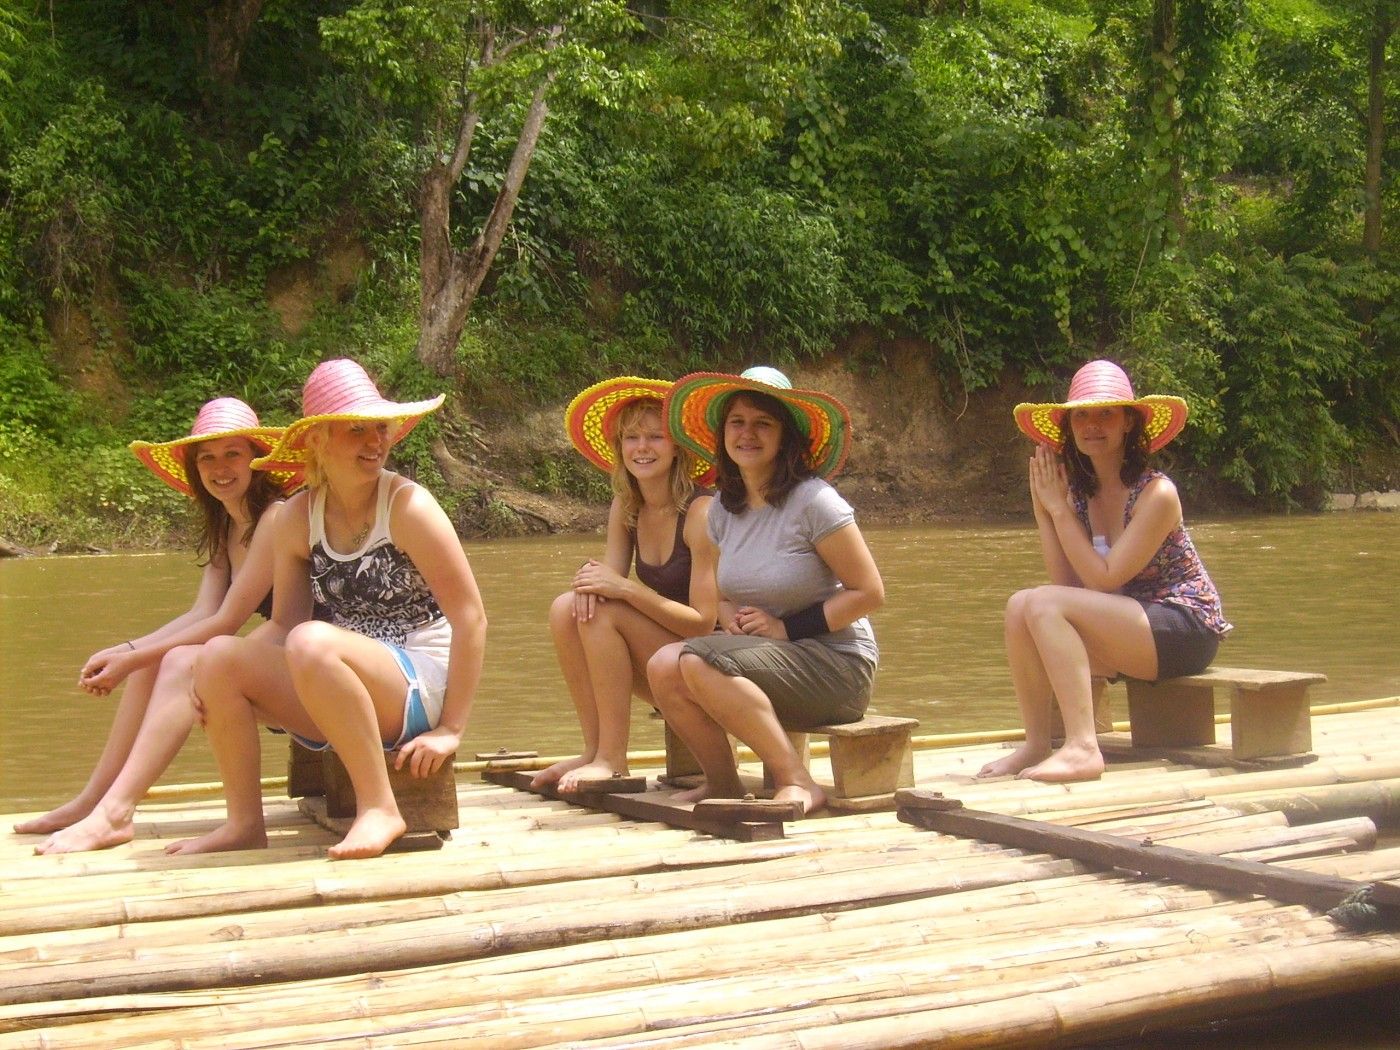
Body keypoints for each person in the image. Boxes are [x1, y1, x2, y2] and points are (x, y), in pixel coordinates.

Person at [170, 358, 487, 860]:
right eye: (356, 429)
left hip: (415, 681)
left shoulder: (408, 506)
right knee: (216, 656)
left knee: (312, 641)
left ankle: (380, 807)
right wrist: (213, 673)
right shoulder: (297, 516)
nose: (374, 442)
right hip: (334, 679)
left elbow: (470, 617)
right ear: (317, 441)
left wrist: (452, 728)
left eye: (379, 429)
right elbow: (282, 625)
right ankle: (244, 823)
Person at [17, 398, 301, 853]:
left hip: (306, 676)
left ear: (256, 460)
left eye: (232, 454)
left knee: (180, 660)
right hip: (270, 664)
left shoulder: (275, 517)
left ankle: (116, 812)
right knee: (159, 661)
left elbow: (227, 621)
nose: (219, 467)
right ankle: (95, 802)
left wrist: (131, 659)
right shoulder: (226, 525)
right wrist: (129, 651)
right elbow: (201, 614)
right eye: (206, 458)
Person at [978, 359, 1232, 783]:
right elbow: (1067, 587)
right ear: (1069, 426)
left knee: (1040, 602)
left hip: (1182, 626)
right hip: (1127, 621)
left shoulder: (1157, 493)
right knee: (1020, 605)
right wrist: (1046, 511)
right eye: (1082, 415)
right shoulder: (1078, 495)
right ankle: (1037, 744)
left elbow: (1104, 579)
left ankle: (1082, 748)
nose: (1092, 425)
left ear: (1129, 423)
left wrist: (1058, 509)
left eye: (1106, 413)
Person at [647, 366, 884, 816]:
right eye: (737, 422)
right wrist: (734, 614)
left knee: (697, 661)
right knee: (663, 664)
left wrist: (784, 628)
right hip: (768, 657)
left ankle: (797, 780)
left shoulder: (814, 501)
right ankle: (722, 782)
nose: (747, 434)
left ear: (785, 437)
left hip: (836, 666)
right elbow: (721, 591)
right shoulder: (722, 508)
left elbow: (869, 592)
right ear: (723, 435)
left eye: (763, 423)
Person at [531, 378, 718, 793]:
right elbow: (607, 579)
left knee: (606, 610)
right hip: (664, 654)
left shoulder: (701, 512)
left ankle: (613, 758)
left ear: (678, 447)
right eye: (631, 438)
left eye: (655, 436)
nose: (642, 447)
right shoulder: (628, 504)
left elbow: (705, 624)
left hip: (708, 663)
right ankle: (594, 748)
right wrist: (589, 581)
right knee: (570, 606)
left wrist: (628, 590)